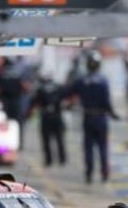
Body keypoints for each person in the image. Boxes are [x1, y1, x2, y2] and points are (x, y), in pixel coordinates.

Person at [63, 50, 120, 184]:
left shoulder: (81, 80)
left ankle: (89, 174)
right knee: (103, 147)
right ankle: (104, 175)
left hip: (88, 117)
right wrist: (112, 113)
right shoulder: (103, 81)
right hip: (101, 118)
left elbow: (68, 93)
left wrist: (66, 105)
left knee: (88, 147)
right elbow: (106, 101)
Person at [27, 74, 67, 167]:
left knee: (46, 140)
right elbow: (65, 97)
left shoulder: (40, 89)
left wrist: (29, 114)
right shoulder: (58, 87)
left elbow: (34, 102)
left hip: (46, 116)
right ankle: (62, 159)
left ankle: (49, 159)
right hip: (57, 115)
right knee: (59, 138)